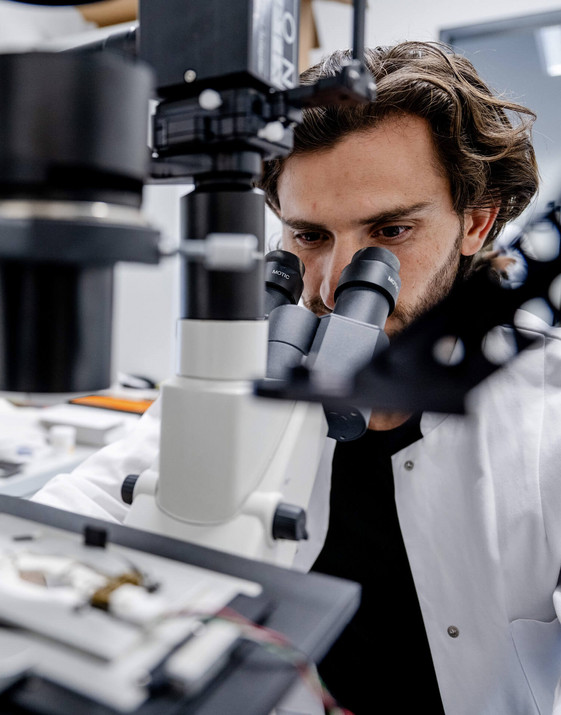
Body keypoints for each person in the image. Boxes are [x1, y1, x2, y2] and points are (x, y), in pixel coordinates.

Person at [33, 41, 561, 714]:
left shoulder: (548, 407)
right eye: (308, 238)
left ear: (475, 222)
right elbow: (75, 511)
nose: (338, 283)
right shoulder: (253, 374)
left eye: (390, 230)